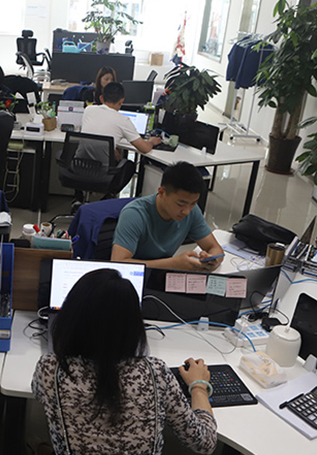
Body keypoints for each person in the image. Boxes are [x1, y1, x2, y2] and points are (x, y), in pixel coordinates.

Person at [32, 269, 217, 454]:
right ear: (134, 324)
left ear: (69, 317)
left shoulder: (50, 369)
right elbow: (205, 443)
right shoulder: (156, 372)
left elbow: (40, 394)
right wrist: (199, 386)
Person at [111, 161, 225, 271]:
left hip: (161, 275)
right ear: (161, 192)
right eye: (180, 204)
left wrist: (211, 260)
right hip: (133, 277)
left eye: (193, 203)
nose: (186, 211)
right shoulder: (134, 214)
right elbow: (118, 263)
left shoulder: (192, 211)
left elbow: (216, 249)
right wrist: (172, 264)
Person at [81, 82, 161, 160]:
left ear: (101, 98)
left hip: (79, 164)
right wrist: (151, 142)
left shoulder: (88, 110)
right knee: (129, 164)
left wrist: (112, 149)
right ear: (121, 101)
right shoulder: (123, 120)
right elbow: (144, 148)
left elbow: (95, 136)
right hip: (103, 167)